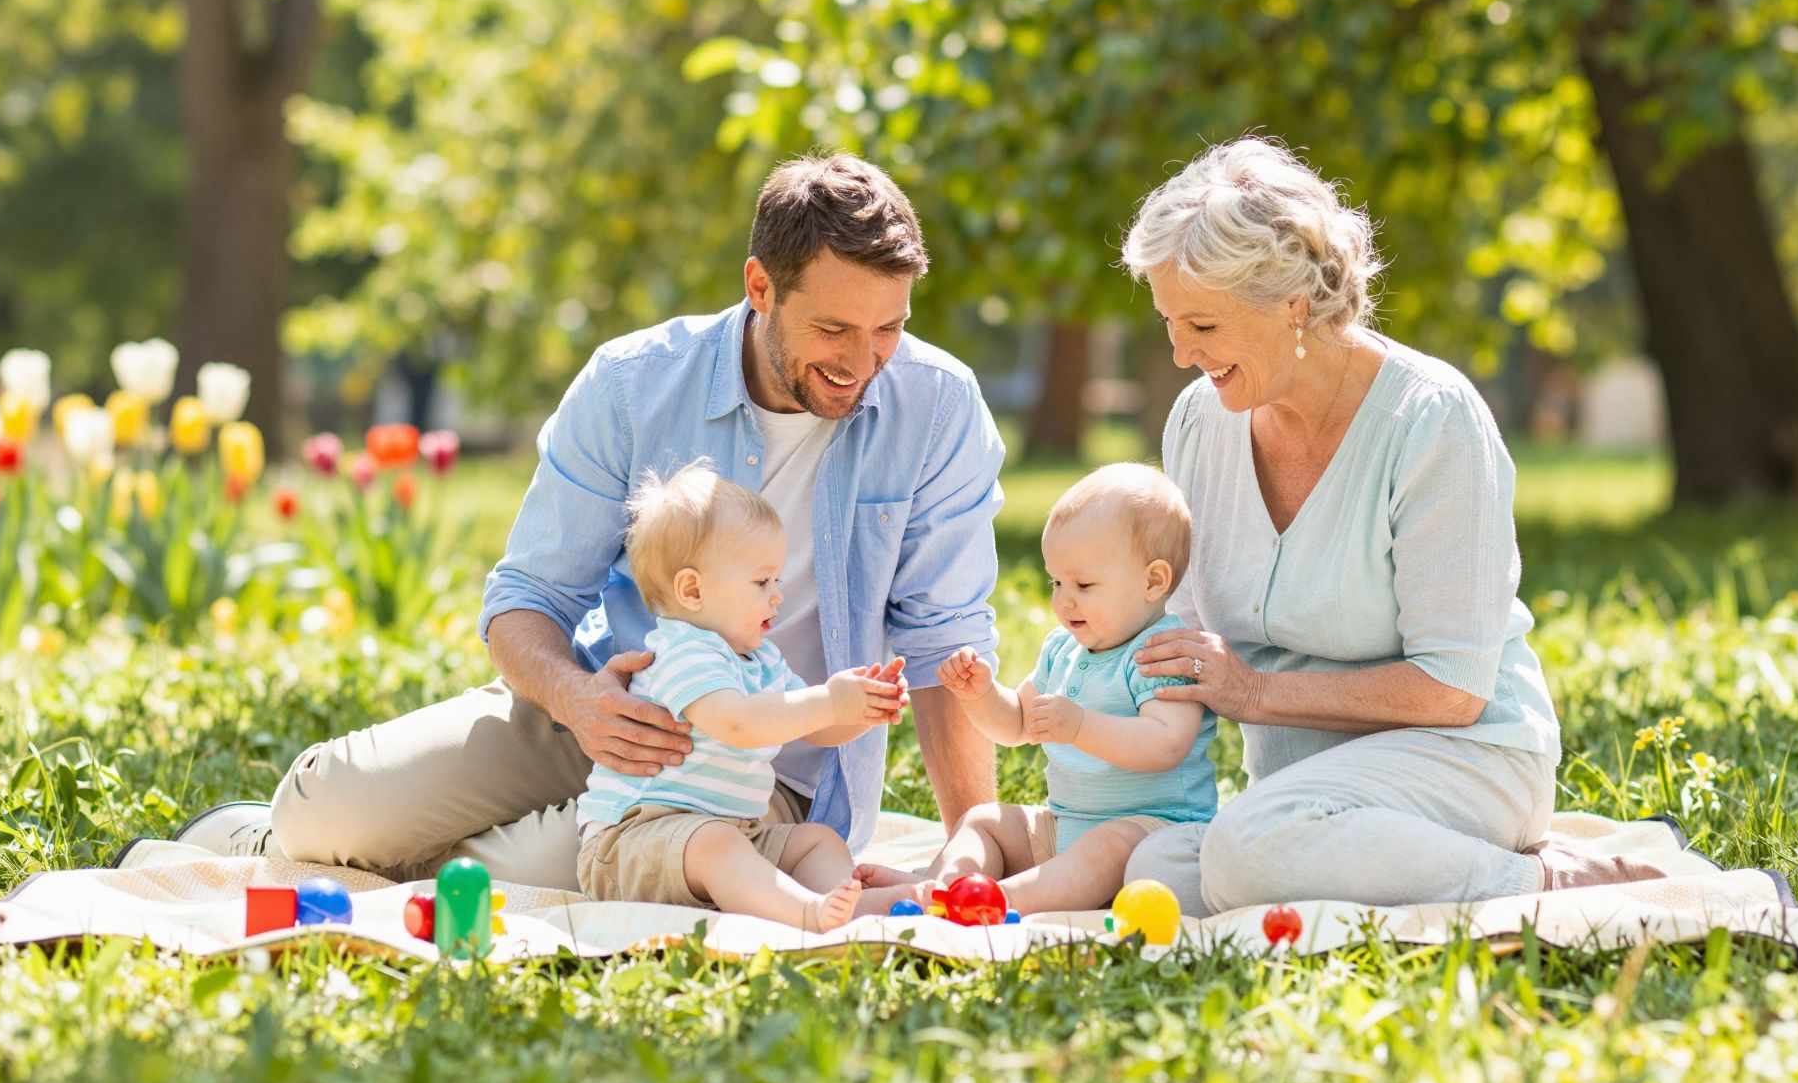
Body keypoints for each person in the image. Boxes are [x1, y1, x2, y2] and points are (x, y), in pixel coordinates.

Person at [172, 155, 1004, 891]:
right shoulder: (633, 384)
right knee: (325, 808)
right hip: (597, 705)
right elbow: (526, 598)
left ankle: (408, 857)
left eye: (889, 328)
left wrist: (974, 842)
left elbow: (945, 648)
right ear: (760, 288)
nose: (863, 364)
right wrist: (579, 701)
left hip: (761, 775)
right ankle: (298, 837)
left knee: (517, 879)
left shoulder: (938, 408)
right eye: (834, 329)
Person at [1116, 137, 1664, 917]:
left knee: (1244, 853)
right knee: (1157, 865)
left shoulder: (1432, 420)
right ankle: (1357, 860)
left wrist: (1257, 692)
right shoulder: (1201, 423)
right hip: (1303, 790)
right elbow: (1191, 651)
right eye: (1171, 323)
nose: (1178, 353)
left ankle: (1559, 885)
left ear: (1291, 302)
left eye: (1201, 324)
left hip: (1464, 754)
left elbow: (1453, 689)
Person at [854, 463, 1217, 917]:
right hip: (1064, 827)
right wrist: (981, 696)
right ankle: (940, 888)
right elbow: (1017, 724)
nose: (1064, 600)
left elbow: (1166, 745)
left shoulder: (1164, 652)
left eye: (1084, 585)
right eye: (1056, 582)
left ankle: (997, 900)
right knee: (984, 820)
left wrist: (1081, 726)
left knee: (1107, 847)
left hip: (1152, 831)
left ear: (1153, 581)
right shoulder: (1064, 648)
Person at [577, 465, 909, 930]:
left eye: (777, 581)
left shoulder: (761, 660)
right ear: (692, 590)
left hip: (733, 832)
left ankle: (846, 904)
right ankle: (806, 914)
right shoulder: (680, 650)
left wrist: (864, 709)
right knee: (717, 844)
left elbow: (818, 729)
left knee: (815, 839)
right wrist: (830, 700)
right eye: (761, 582)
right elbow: (736, 722)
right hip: (633, 840)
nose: (777, 597)